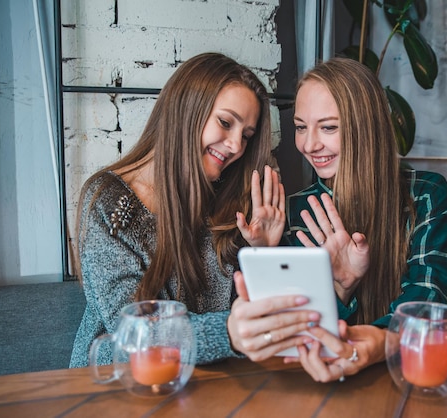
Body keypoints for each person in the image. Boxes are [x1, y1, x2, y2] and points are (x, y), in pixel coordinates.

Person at [69, 52, 315, 368]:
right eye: (226, 123)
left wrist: (264, 252)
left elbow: (264, 319)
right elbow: (131, 330)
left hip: (204, 381)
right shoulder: (108, 201)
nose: (237, 146)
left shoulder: (231, 202)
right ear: (186, 109)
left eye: (246, 136)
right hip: (115, 381)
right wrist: (227, 333)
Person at [228, 57, 447, 382]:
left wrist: (377, 343)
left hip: (406, 368)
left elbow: (428, 294)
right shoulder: (293, 211)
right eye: (301, 127)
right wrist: (338, 286)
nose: (309, 144)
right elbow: (298, 331)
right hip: (322, 375)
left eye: (329, 127)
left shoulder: (424, 192)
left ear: (366, 125)